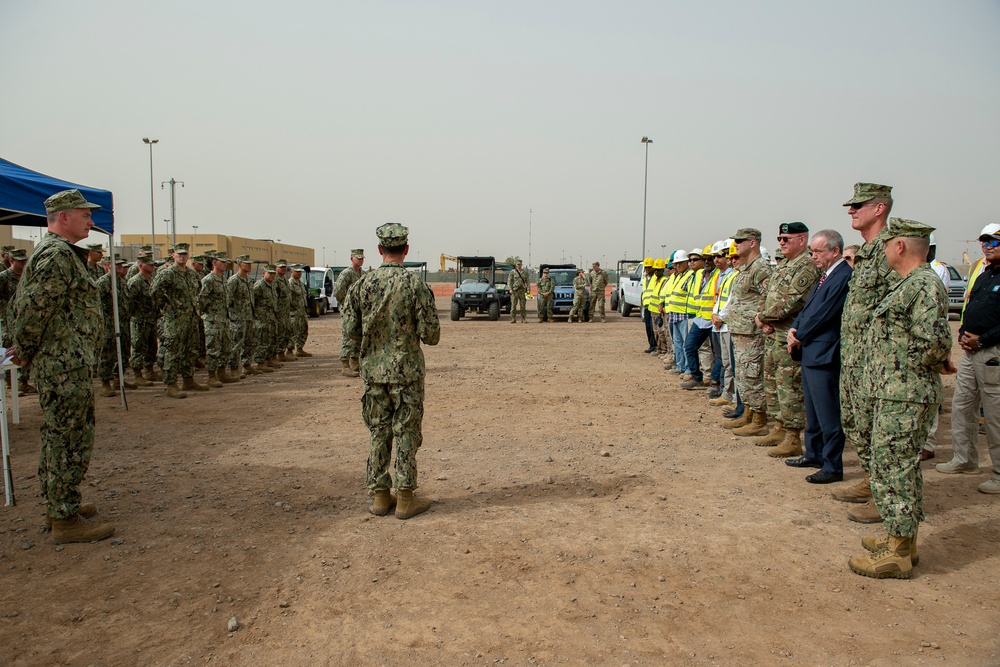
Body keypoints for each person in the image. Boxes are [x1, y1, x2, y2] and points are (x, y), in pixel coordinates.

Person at [848, 218, 952, 579]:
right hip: (896, 391)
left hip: (905, 394)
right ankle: (902, 540)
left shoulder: (922, 285)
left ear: (900, 247)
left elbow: (935, 341)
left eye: (888, 244)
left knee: (894, 467)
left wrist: (911, 370)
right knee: (895, 466)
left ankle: (897, 552)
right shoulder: (908, 284)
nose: (885, 251)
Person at [11, 189, 114, 543]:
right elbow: (32, 309)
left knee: (63, 434)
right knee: (69, 437)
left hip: (67, 361)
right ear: (64, 217)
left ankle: (61, 503)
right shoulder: (56, 255)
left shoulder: (61, 253)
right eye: (85, 215)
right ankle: (63, 518)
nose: (91, 221)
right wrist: (24, 347)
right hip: (63, 364)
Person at [344, 223, 440, 519]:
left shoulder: (361, 285)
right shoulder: (416, 286)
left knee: (378, 431)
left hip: (374, 374)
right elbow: (432, 336)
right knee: (407, 431)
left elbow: (350, 330)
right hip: (407, 373)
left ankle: (380, 497)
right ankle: (406, 497)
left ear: (379, 250)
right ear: (406, 250)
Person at [833, 183, 897, 524]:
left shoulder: (891, 250)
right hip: (856, 358)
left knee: (878, 430)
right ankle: (872, 483)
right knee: (858, 425)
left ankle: (884, 497)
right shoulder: (868, 252)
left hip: (877, 361)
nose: (851, 211)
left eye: (858, 205)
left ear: (879, 209)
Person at [936, 226, 1000, 494]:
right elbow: (970, 309)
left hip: (991, 353)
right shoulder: (985, 274)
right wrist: (963, 335)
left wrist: (982, 340)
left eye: (994, 240)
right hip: (971, 352)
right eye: (984, 241)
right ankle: (965, 459)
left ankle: (998, 473)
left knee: (995, 415)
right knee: (962, 406)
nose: (987, 245)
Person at [786, 230, 852, 482]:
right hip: (810, 350)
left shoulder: (842, 276)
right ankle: (813, 453)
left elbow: (824, 313)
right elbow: (808, 308)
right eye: (812, 251)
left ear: (835, 251)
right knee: (812, 411)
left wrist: (799, 333)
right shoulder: (825, 275)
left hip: (824, 352)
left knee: (828, 413)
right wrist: (794, 328)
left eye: (818, 251)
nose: (813, 256)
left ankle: (832, 465)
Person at [754, 222, 821, 457]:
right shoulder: (784, 266)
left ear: (802, 240)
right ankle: (780, 427)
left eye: (786, 239)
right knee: (772, 383)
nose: (781, 242)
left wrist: (764, 316)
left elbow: (794, 300)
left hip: (789, 336)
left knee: (789, 386)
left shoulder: (806, 266)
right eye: (780, 238)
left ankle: (793, 436)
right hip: (773, 334)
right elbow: (767, 293)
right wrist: (763, 318)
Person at [724, 228, 772, 436]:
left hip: (753, 334)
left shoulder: (760, 268)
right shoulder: (746, 269)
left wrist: (761, 318)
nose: (736, 245)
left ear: (753, 243)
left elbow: (769, 296)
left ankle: (760, 420)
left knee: (753, 376)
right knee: (743, 376)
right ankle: (749, 414)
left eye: (740, 241)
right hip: (741, 332)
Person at [151, 242, 207, 398]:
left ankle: (188, 380)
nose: (182, 256)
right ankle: (170, 384)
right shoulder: (167, 274)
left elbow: (198, 290)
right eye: (179, 254)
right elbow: (155, 292)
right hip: (174, 320)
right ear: (173, 255)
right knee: (172, 352)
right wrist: (168, 308)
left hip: (190, 318)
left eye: (184, 254)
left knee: (191, 350)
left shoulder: (192, 274)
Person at [96, 258, 137, 396]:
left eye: (120, 264)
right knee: (108, 354)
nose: (120, 267)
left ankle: (118, 378)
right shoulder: (103, 283)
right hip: (109, 324)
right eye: (116, 264)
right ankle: (105, 382)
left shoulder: (122, 282)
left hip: (124, 323)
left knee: (124, 352)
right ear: (107, 266)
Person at [199, 251, 238, 388]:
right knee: (213, 349)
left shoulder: (223, 279)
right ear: (214, 263)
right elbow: (201, 301)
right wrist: (208, 316)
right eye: (222, 262)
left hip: (224, 319)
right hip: (212, 320)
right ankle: (211, 376)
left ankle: (222, 373)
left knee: (225, 348)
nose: (225, 264)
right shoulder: (208, 280)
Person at [126, 256, 159, 385]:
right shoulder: (135, 282)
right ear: (140, 265)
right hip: (139, 320)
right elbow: (130, 302)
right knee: (138, 347)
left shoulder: (151, 280)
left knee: (152, 347)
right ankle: (137, 374)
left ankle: (149, 371)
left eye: (152, 264)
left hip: (151, 319)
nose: (152, 266)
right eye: (149, 264)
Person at [227, 254, 260, 376]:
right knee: (236, 344)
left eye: (250, 263)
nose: (249, 266)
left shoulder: (249, 280)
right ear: (239, 264)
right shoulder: (233, 281)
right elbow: (228, 300)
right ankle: (234, 368)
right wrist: (232, 315)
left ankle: (246, 365)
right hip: (237, 318)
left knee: (250, 342)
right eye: (247, 263)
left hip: (249, 316)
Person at [334, 249, 364, 376]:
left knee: (358, 337)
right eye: (358, 258)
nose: (360, 260)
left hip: (360, 310)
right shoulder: (346, 274)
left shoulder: (363, 274)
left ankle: (355, 362)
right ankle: (345, 365)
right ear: (351, 258)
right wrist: (346, 304)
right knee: (348, 336)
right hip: (349, 311)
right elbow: (338, 292)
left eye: (362, 258)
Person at [288, 264, 311, 356]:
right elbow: (288, 299)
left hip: (302, 312)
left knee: (303, 330)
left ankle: (300, 349)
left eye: (300, 271)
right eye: (296, 271)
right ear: (291, 272)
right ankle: (289, 351)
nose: (299, 273)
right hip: (294, 313)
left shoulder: (301, 284)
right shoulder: (290, 283)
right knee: (293, 332)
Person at [639, 258, 656, 352]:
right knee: (648, 327)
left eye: (649, 267)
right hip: (646, 306)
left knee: (654, 328)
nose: (647, 269)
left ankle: (655, 346)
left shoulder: (656, 278)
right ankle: (651, 345)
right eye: (646, 268)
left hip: (653, 306)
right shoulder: (645, 278)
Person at [508, 258, 528, 324]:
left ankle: (523, 318)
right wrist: (510, 288)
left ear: (521, 265)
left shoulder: (524, 272)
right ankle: (513, 318)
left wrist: (528, 289)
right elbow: (509, 281)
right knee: (513, 305)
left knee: (523, 306)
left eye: (520, 264)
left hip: (522, 290)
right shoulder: (513, 272)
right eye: (518, 264)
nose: (519, 265)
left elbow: (527, 281)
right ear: (516, 265)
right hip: (515, 290)